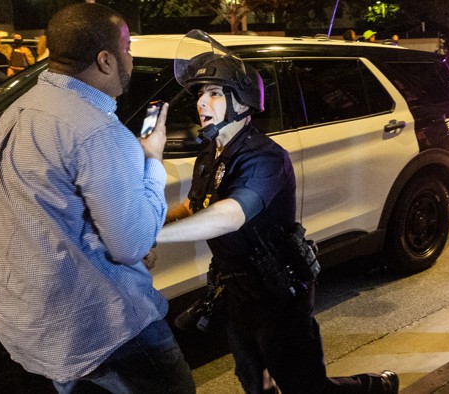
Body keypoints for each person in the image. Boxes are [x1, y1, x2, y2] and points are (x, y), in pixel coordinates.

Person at [156, 29, 399, 394]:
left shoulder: (265, 158)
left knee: (304, 387)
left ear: (242, 101)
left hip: (279, 291)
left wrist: (150, 234)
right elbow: (197, 204)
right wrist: (155, 218)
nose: (201, 103)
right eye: (200, 94)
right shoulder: (211, 154)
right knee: (254, 379)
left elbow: (230, 215)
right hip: (235, 288)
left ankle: (372, 388)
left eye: (215, 93)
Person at [0, 4, 196, 392]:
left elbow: (48, 213)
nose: (131, 58)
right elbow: (131, 244)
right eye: (127, 48)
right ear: (106, 60)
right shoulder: (97, 132)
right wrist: (152, 162)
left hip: (32, 321)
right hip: (103, 325)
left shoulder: (19, 111)